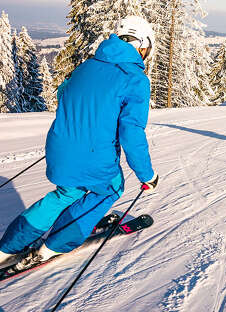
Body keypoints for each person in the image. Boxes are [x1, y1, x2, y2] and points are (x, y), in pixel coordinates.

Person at [0, 16, 159, 269]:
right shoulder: (135, 78)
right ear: (142, 45)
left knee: (66, 192)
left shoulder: (88, 65)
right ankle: (54, 246)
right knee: (110, 188)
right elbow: (132, 132)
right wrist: (147, 175)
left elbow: (65, 95)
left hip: (60, 144)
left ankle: (6, 248)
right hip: (93, 155)